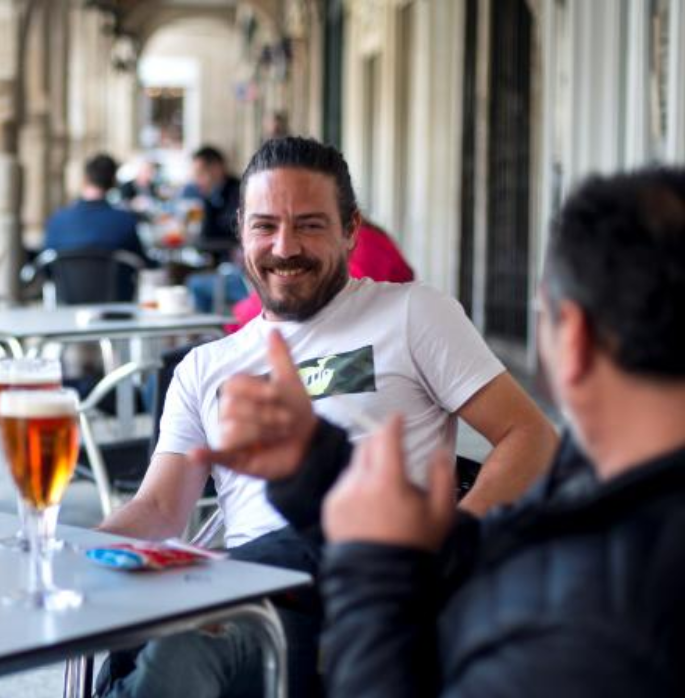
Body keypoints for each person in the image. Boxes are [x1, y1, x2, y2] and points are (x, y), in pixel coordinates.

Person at [96, 136, 557, 698]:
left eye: (310, 225)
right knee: (126, 640)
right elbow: (159, 508)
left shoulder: (412, 313)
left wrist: (450, 541)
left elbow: (530, 435)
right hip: (250, 581)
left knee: (184, 643)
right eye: (265, 225)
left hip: (368, 578)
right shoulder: (204, 366)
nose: (285, 246)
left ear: (351, 230)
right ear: (241, 230)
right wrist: (61, 555)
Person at [211, 167, 685, 695]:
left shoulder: (581, 630)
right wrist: (315, 473)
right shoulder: (597, 488)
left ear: (573, 337)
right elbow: (490, 556)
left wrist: (373, 588)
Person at [230, 219, 414, 329]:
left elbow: (336, 303)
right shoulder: (362, 238)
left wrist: (238, 319)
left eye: (312, 224)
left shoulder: (362, 245)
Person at [44, 153, 150, 266]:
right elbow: (142, 262)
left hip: (67, 283)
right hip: (113, 283)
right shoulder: (124, 221)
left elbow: (47, 265)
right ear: (113, 182)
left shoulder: (58, 221)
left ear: (85, 179)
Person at [181, 146, 248, 312]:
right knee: (180, 274)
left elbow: (232, 232)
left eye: (200, 173)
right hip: (222, 265)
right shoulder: (211, 196)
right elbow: (206, 234)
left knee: (194, 284)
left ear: (217, 168)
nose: (197, 180)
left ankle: (208, 333)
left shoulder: (240, 193)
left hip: (243, 276)